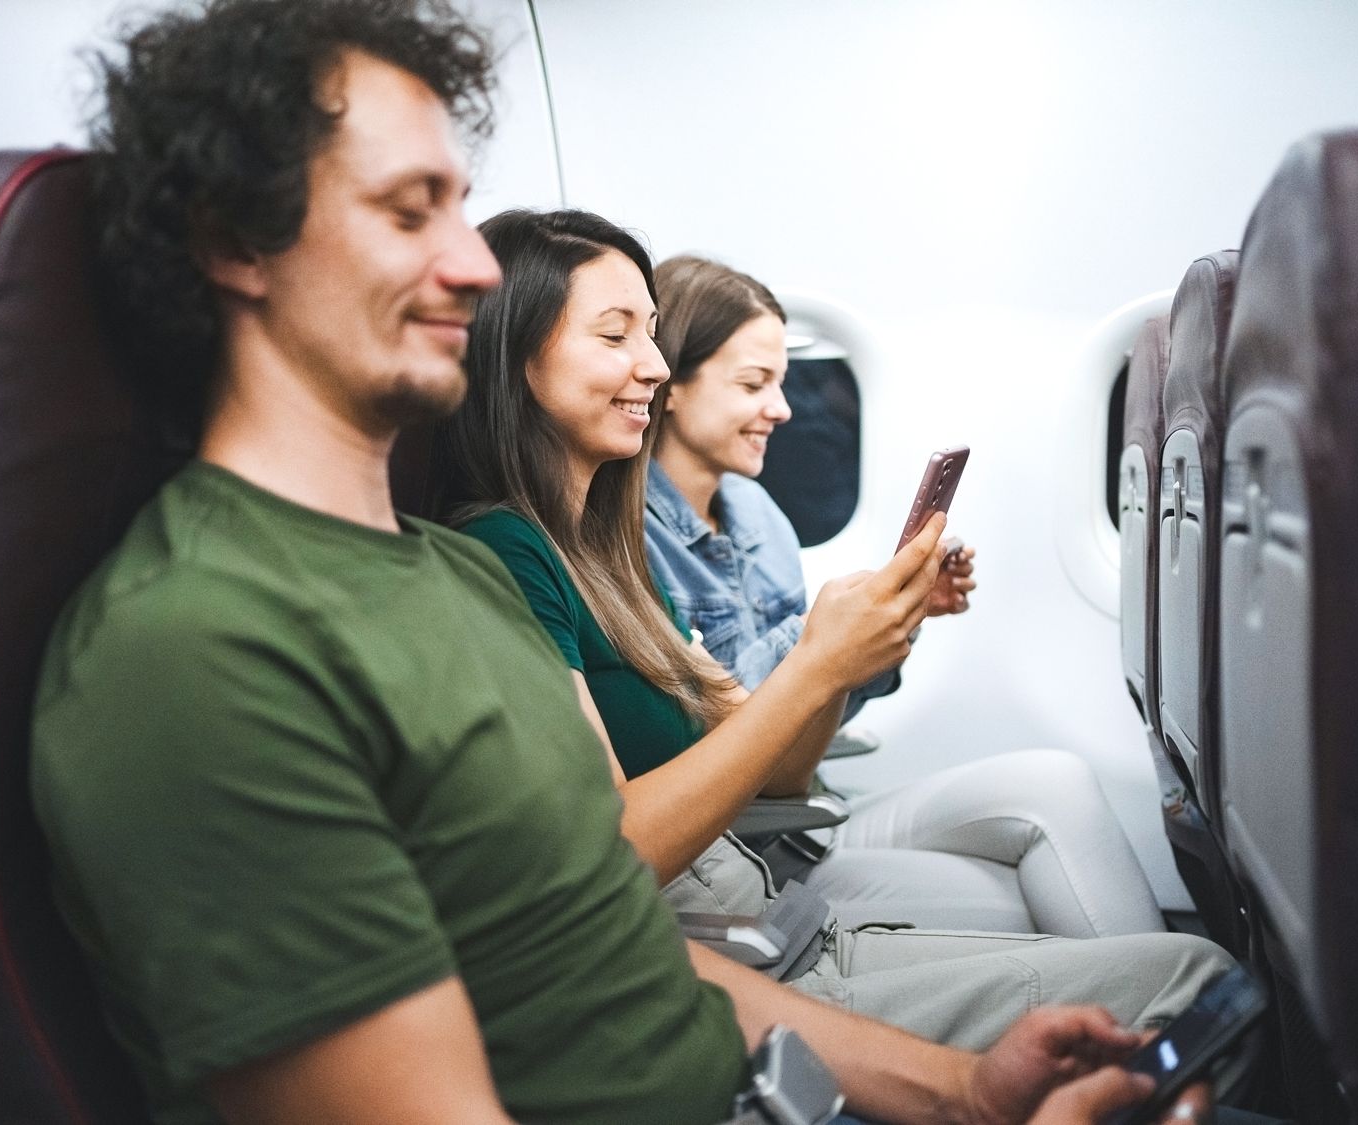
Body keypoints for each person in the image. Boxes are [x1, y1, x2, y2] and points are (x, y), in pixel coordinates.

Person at [30, 1, 1224, 1121]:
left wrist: (965, 1092)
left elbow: (622, 944)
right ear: (236, 241)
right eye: (407, 212)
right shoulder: (197, 649)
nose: (475, 268)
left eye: (460, 211)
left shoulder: (456, 574)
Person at [424, 206, 1240, 1055]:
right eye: (614, 334)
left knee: (1184, 960)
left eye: (654, 334)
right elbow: (610, 854)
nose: (654, 366)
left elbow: (782, 769)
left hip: (770, 918)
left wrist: (853, 650)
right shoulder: (507, 551)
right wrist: (820, 661)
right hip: (726, 953)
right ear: (516, 357)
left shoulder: (611, 555)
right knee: (1196, 980)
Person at [643, 254, 1165, 939]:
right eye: (753, 383)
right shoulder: (631, 538)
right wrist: (830, 631)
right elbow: (732, 728)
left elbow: (813, 709)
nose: (783, 408)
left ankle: (1178, 997)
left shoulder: (758, 513)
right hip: (744, 843)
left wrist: (897, 616)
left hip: (807, 811)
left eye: (782, 381)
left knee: (1058, 779)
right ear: (670, 385)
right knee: (1027, 894)